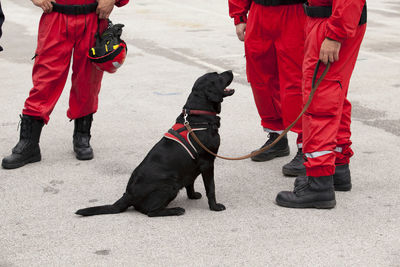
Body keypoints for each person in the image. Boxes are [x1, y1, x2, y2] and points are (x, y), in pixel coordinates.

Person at [1, 0, 129, 169]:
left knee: (88, 81)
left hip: (94, 17)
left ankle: (82, 137)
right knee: (45, 81)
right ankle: (29, 144)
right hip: (55, 16)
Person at [275, 0, 367, 208]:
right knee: (333, 96)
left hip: (330, 23)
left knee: (320, 101)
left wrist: (335, 34)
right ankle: (337, 168)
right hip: (328, 19)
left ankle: (319, 184)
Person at [229, 0, 307, 177]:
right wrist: (239, 15)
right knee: (261, 80)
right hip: (260, 13)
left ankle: (306, 148)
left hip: (295, 12)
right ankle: (276, 138)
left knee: (296, 82)